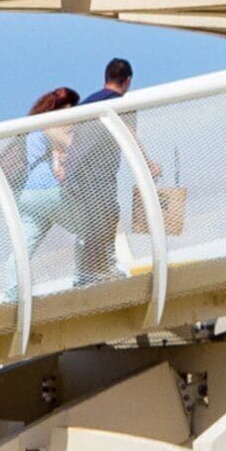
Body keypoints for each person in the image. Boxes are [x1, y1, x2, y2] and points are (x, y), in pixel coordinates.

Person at [55, 59, 135, 285]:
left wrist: (64, 163)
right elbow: (130, 137)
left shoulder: (87, 103)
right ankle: (102, 270)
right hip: (99, 174)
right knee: (107, 217)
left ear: (105, 77)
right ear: (127, 81)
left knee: (90, 223)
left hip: (77, 173)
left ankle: (86, 274)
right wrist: (148, 163)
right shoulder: (119, 104)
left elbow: (67, 135)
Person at [13, 85, 81, 258]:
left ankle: (13, 286)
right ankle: (88, 274)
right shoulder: (50, 126)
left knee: (22, 251)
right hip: (50, 191)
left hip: (29, 195)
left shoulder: (33, 129)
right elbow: (74, 149)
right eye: (71, 110)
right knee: (91, 227)